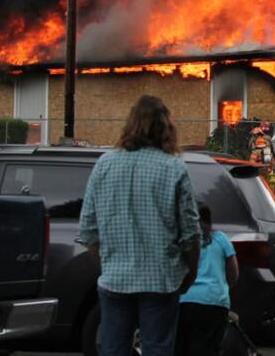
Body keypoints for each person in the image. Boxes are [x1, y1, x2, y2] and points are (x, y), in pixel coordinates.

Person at [79, 95, 201, 356]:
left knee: (113, 349)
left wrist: (107, 265)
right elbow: (190, 232)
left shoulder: (104, 165)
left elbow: (88, 229)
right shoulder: (174, 168)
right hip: (160, 279)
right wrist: (191, 271)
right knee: (157, 348)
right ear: (165, 128)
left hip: (115, 280)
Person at [174, 203, 238, 356]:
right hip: (214, 302)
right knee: (206, 348)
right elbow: (233, 273)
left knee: (179, 348)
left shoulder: (180, 240)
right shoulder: (221, 239)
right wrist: (224, 290)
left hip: (182, 300)